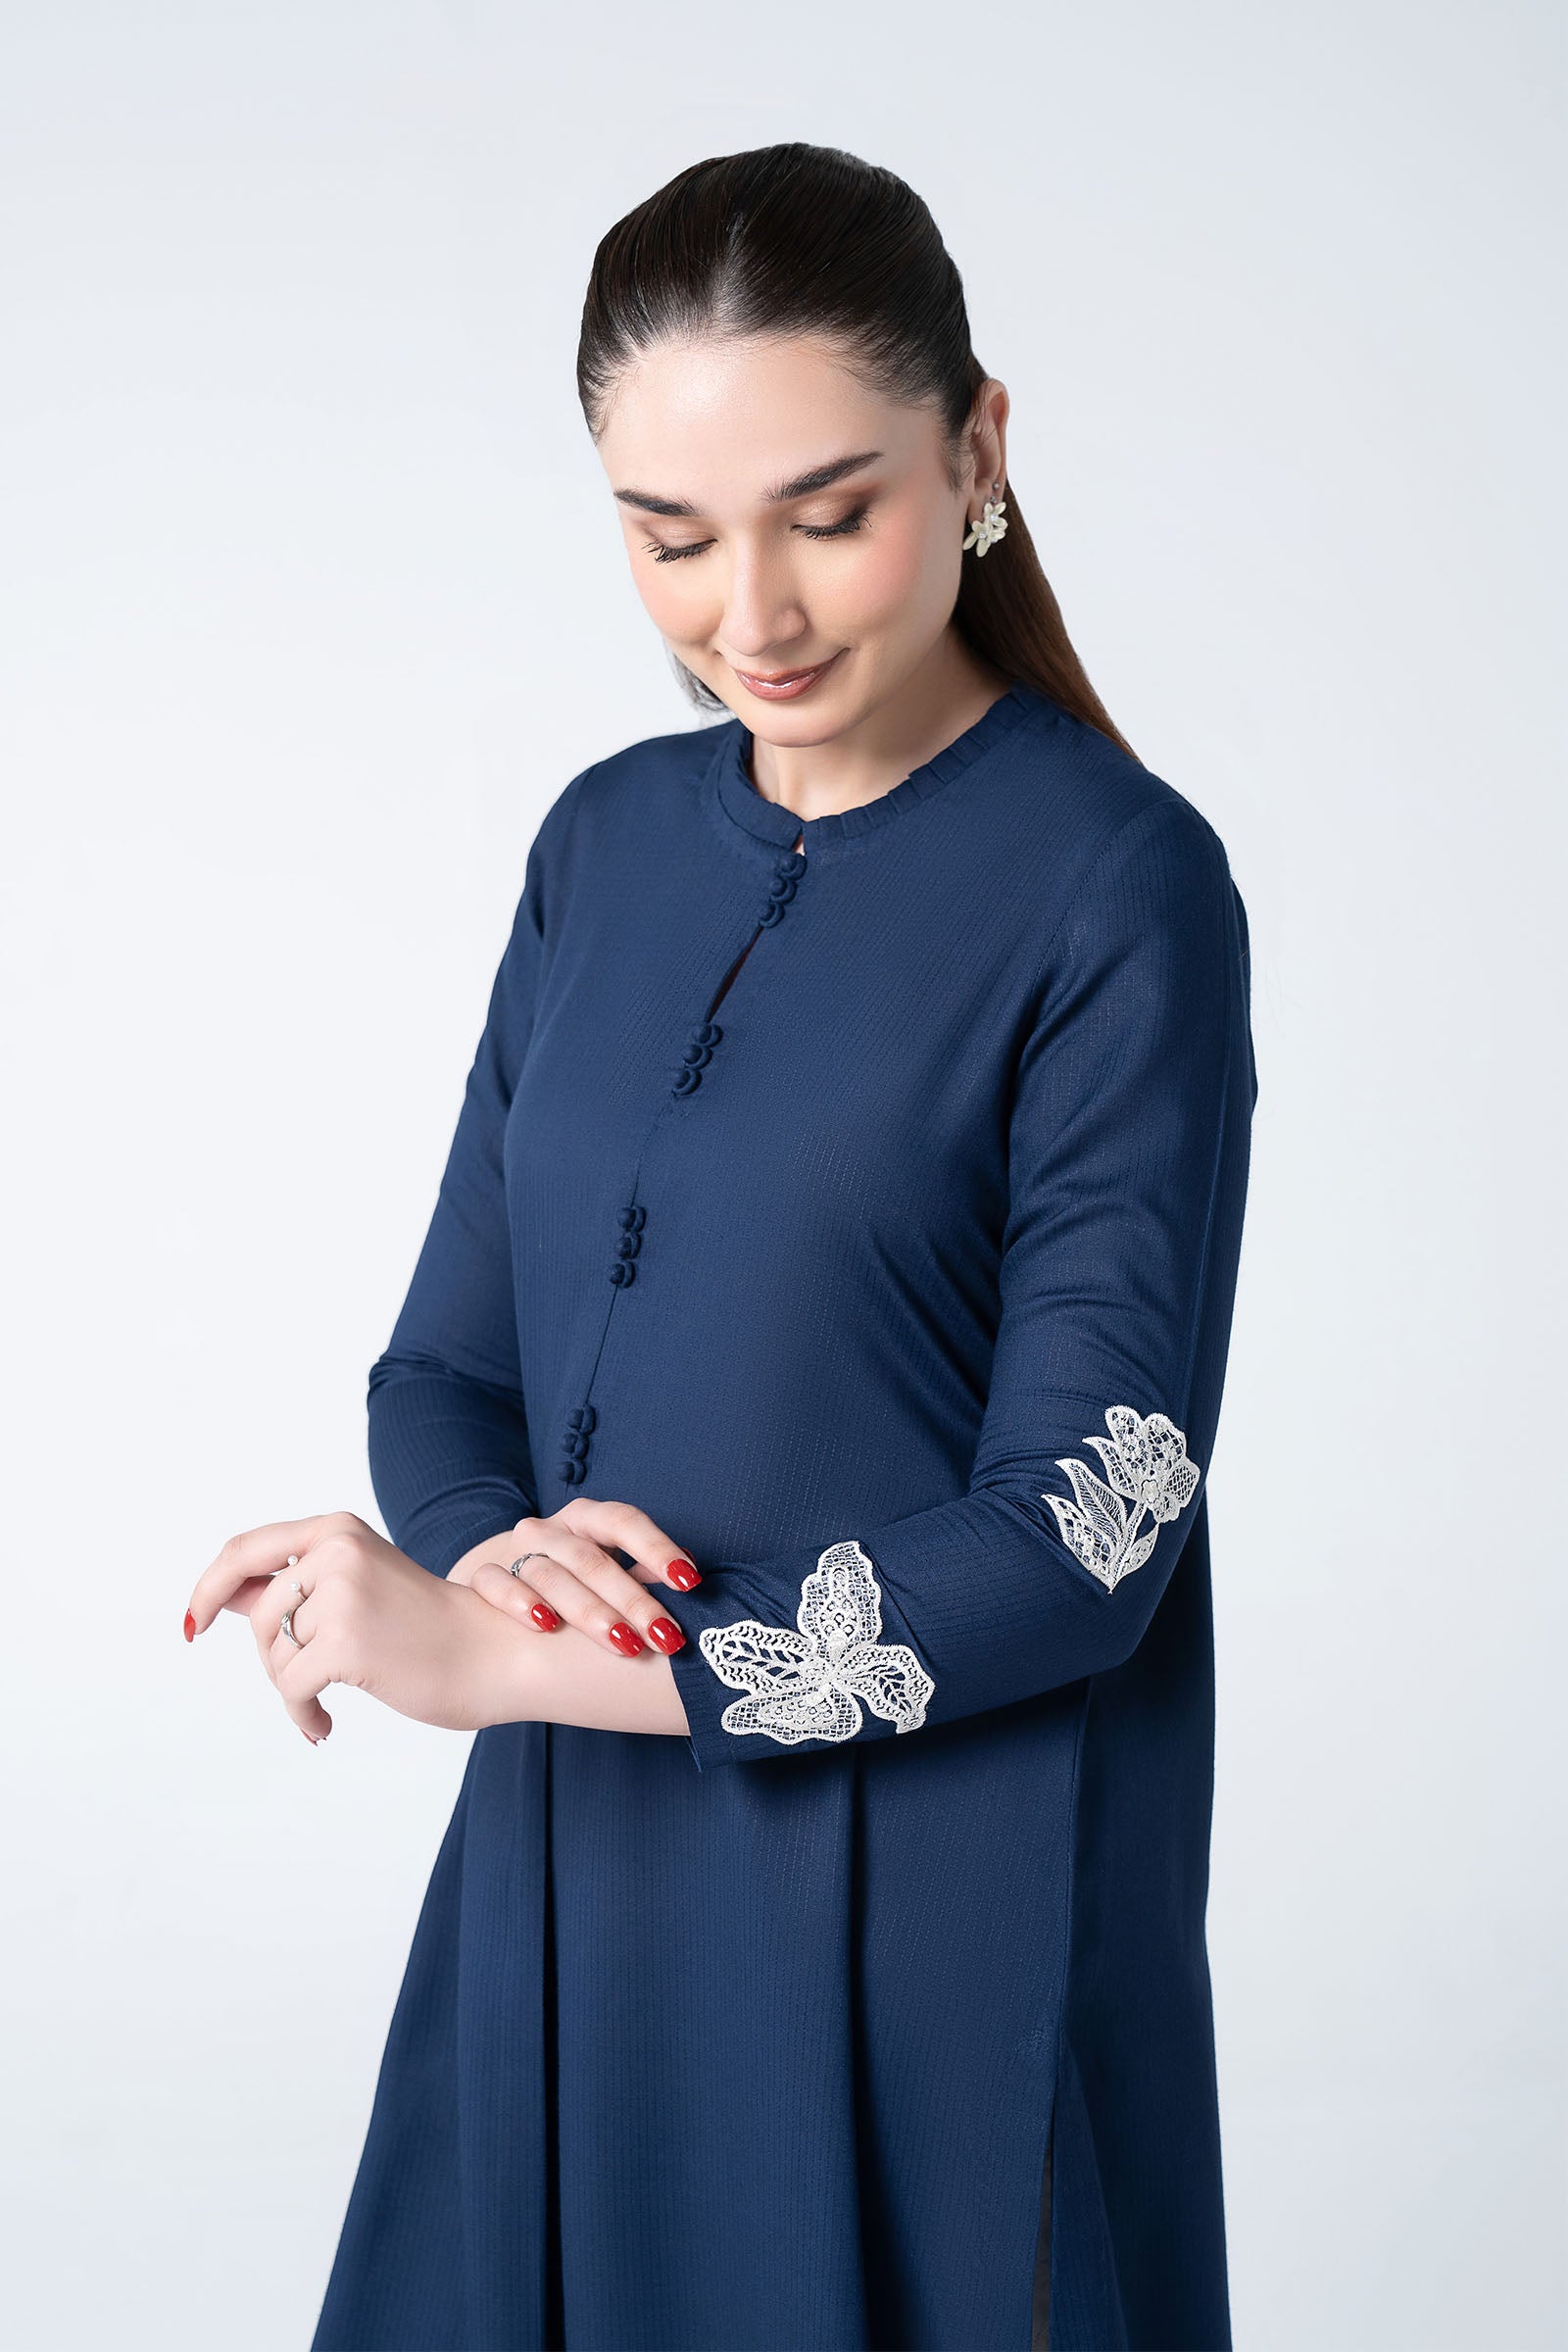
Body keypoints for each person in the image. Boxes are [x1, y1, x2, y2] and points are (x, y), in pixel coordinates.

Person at [185, 141, 1257, 2352]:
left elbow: (1086, 1537)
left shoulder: (1119, 890)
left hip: (942, 1921)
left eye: (826, 515)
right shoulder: (601, 845)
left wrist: (498, 1663)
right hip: (579, 1871)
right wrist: (495, 1562)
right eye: (669, 538)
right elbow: (445, 1372)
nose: (746, 616)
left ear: (976, 452)